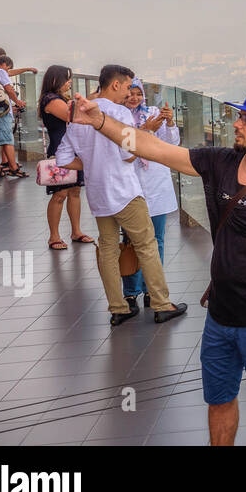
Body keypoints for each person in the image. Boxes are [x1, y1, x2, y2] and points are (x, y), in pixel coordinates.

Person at [71, 84, 246, 446]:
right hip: (218, 316)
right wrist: (100, 120)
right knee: (218, 400)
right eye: (238, 115)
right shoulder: (221, 162)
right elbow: (153, 147)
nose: (237, 123)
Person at [57, 64, 187, 327]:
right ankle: (161, 304)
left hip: (98, 194)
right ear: (116, 84)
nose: (129, 93)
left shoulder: (77, 118)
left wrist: (93, 163)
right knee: (147, 246)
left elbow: (63, 158)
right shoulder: (121, 114)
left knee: (107, 248)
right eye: (128, 86)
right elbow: (128, 154)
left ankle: (118, 308)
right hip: (126, 192)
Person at [120, 79, 180, 309]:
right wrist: (146, 130)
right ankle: (131, 291)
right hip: (130, 186)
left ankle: (151, 290)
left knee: (157, 240)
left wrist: (170, 121)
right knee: (132, 240)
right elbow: (124, 149)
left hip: (156, 182)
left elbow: (171, 143)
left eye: (138, 94)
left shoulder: (153, 113)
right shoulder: (119, 119)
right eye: (130, 94)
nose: (134, 98)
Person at [37, 65, 94, 250]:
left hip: (73, 149)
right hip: (60, 149)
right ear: (56, 80)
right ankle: (54, 236)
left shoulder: (61, 98)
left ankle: (76, 231)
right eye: (67, 78)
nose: (69, 82)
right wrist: (93, 99)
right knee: (60, 193)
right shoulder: (50, 99)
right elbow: (72, 116)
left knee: (75, 191)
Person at [0, 48, 37, 179]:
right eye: (8, 68)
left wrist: (26, 69)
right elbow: (8, 89)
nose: (7, 71)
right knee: (7, 141)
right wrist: (17, 101)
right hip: (0, 114)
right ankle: (13, 168)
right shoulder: (0, 72)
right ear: (3, 64)